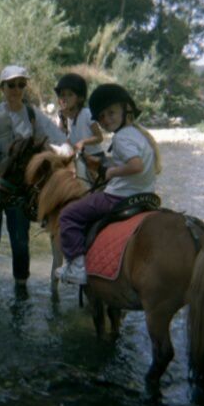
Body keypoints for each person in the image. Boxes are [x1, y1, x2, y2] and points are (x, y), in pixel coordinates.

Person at [0, 65, 67, 285]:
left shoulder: (33, 115)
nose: (16, 89)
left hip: (20, 191)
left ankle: (21, 284)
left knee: (20, 241)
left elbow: (60, 142)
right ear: (2, 87)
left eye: (21, 84)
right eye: (11, 84)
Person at [56, 83, 163, 285]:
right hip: (145, 196)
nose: (106, 120)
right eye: (102, 117)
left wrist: (111, 172)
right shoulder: (138, 134)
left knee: (68, 215)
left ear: (126, 110)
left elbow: (136, 165)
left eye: (111, 113)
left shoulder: (122, 137)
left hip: (119, 197)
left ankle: (77, 266)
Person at [54, 73, 104, 181]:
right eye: (62, 95)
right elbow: (61, 138)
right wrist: (62, 119)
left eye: (70, 94)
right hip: (76, 159)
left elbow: (99, 137)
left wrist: (83, 142)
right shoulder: (60, 116)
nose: (65, 98)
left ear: (80, 98)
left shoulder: (87, 114)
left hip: (94, 157)